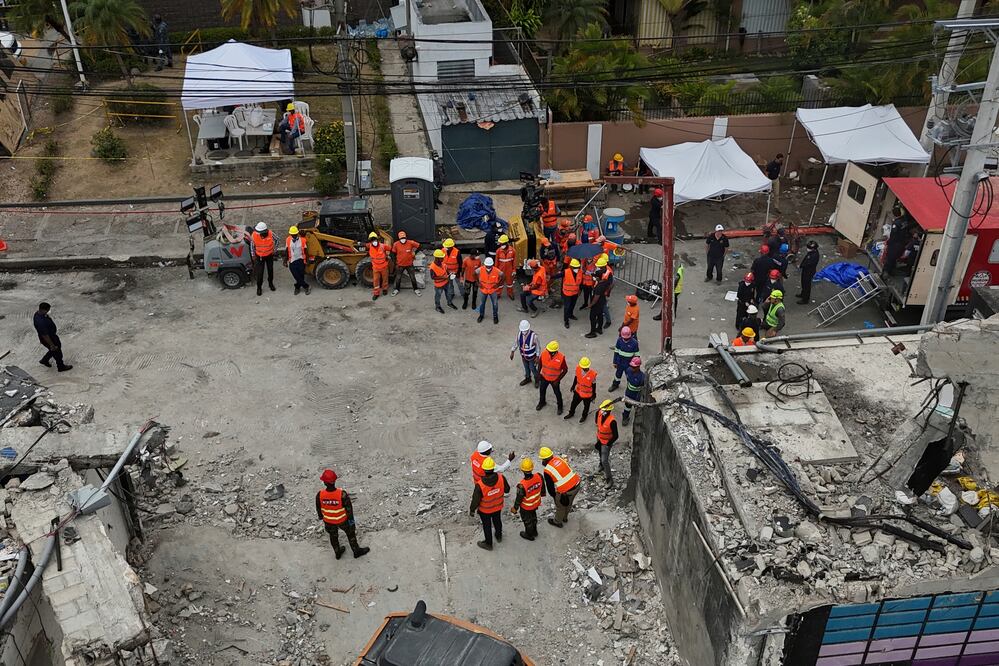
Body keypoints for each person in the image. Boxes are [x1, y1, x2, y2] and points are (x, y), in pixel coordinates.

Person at [316, 469, 370, 560]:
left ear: (324, 482)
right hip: (342, 520)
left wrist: (321, 517)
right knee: (351, 535)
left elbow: (319, 509)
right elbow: (349, 510)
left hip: (329, 521)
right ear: (335, 481)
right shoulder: (342, 494)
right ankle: (356, 551)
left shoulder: (320, 495)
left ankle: (337, 553)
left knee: (333, 537)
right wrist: (351, 523)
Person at [469, 457, 510, 551]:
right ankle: (499, 536)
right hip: (498, 507)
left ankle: (488, 544)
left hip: (485, 510)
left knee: (487, 526)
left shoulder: (480, 485)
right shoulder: (501, 478)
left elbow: (475, 500)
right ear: (493, 468)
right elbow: (507, 489)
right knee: (497, 521)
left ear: (484, 469)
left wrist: (472, 510)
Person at [539, 447, 581, 528]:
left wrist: (555, 497)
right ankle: (565, 518)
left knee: (560, 506)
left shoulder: (547, 470)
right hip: (577, 484)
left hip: (566, 491)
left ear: (543, 460)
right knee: (569, 502)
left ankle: (558, 521)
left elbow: (550, 488)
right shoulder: (559, 459)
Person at [511, 458, 545, 540]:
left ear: (522, 470)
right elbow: (543, 488)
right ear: (532, 468)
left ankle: (529, 535)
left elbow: (519, 499)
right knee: (533, 517)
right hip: (536, 503)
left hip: (526, 507)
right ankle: (535, 531)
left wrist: (515, 508)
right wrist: (543, 494)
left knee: (527, 521)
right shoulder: (539, 476)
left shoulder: (522, 485)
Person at [33, 302, 71, 372]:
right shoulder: (41, 322)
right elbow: (45, 335)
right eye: (48, 310)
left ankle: (44, 360)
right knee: (57, 352)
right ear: (44, 310)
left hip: (51, 336)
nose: (48, 311)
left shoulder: (39, 314)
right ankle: (61, 367)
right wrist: (52, 345)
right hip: (50, 338)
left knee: (54, 350)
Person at [537, 340, 568, 414]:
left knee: (557, 393)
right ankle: (542, 402)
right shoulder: (544, 353)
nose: (548, 351)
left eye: (550, 351)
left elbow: (565, 370)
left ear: (555, 351)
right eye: (548, 350)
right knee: (542, 390)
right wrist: (538, 373)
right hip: (544, 377)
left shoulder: (561, 358)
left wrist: (558, 380)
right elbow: (540, 363)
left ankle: (560, 407)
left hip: (554, 380)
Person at [594, 400, 619, 487]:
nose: (603, 411)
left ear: (609, 411)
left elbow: (616, 436)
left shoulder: (612, 421)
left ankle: (609, 480)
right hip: (599, 438)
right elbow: (597, 422)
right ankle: (600, 465)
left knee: (605, 460)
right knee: (600, 453)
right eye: (602, 409)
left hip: (606, 443)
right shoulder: (599, 413)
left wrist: (608, 444)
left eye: (605, 410)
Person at [565, 356, 597, 423]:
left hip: (587, 394)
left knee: (586, 407)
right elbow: (576, 377)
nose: (584, 368)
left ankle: (584, 416)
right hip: (578, 391)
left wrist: (594, 394)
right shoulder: (578, 369)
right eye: (583, 367)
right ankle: (571, 413)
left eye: (585, 367)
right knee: (573, 403)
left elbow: (594, 385)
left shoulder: (592, 374)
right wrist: (573, 386)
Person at [608, 326, 639, 392]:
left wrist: (635, 366)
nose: (625, 340)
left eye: (627, 338)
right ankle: (615, 384)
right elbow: (616, 351)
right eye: (624, 338)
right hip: (620, 362)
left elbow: (637, 355)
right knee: (617, 375)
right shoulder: (619, 340)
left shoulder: (634, 343)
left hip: (629, 364)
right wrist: (615, 362)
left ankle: (630, 388)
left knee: (629, 376)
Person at [390, 231, 421, 296]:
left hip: (409, 264)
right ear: (399, 238)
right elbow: (392, 253)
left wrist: (415, 252)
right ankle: (396, 289)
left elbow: (419, 246)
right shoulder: (396, 244)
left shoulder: (411, 242)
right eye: (401, 238)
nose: (403, 239)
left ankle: (416, 289)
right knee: (398, 278)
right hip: (400, 265)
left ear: (406, 237)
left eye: (404, 237)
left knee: (412, 277)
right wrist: (395, 261)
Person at [511, 319, 540, 387]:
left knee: (532, 368)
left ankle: (537, 379)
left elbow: (538, 347)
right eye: (523, 330)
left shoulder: (534, 336)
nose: (524, 332)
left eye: (525, 330)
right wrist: (512, 351)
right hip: (524, 356)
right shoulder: (519, 334)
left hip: (532, 357)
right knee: (526, 368)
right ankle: (528, 378)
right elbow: (516, 343)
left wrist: (537, 356)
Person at [283, 225, 311, 295]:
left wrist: (307, 260)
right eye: (293, 235)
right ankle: (306, 286)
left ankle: (297, 287)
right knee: (296, 275)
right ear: (290, 234)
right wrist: (285, 260)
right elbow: (286, 250)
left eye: (295, 234)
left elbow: (305, 251)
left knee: (301, 275)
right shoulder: (288, 240)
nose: (294, 236)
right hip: (292, 260)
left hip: (301, 260)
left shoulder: (303, 240)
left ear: (297, 233)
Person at [251, 222, 276, 296]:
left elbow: (277, 239)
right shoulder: (254, 235)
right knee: (260, 273)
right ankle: (259, 288)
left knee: (270, 271)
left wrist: (274, 250)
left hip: (269, 256)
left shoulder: (271, 234)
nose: (259, 234)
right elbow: (252, 246)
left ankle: (270, 284)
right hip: (259, 257)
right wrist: (253, 255)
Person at [585, 267, 611, 338]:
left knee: (592, 317)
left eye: (595, 277)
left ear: (598, 277)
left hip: (597, 304)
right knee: (600, 316)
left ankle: (592, 332)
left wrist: (590, 305)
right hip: (602, 302)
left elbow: (596, 298)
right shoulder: (604, 282)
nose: (594, 278)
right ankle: (599, 329)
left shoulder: (599, 286)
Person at [476, 256, 502, 324]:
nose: (488, 267)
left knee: (495, 304)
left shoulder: (496, 270)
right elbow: (474, 273)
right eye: (487, 266)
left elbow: (503, 275)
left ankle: (495, 316)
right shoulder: (481, 269)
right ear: (485, 264)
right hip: (483, 289)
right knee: (482, 304)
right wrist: (478, 283)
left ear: (492, 265)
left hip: (492, 290)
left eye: (489, 266)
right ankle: (481, 315)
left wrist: (498, 284)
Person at [621, 357, 644, 427]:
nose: (632, 368)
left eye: (634, 367)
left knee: (638, 408)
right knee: (627, 407)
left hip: (637, 396)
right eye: (631, 366)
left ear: (638, 367)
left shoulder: (642, 377)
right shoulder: (628, 370)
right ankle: (625, 417)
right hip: (629, 394)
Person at [366, 232, 390, 300]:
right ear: (370, 241)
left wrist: (388, 255)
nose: (374, 241)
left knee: (385, 279)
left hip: (384, 267)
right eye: (372, 240)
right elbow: (363, 245)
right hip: (376, 268)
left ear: (377, 239)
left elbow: (390, 248)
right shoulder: (369, 246)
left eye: (375, 239)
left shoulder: (383, 246)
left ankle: (385, 289)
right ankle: (376, 293)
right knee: (376, 281)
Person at [429, 249, 454, 313]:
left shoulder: (443, 264)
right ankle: (437, 307)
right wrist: (443, 277)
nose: (443, 259)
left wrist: (450, 274)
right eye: (441, 258)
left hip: (446, 283)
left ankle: (449, 303)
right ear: (437, 258)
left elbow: (447, 271)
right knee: (438, 296)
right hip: (439, 285)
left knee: (448, 294)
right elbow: (433, 277)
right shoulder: (432, 267)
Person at [797, 240, 820, 304]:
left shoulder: (814, 255)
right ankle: (803, 294)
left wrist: (802, 266)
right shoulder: (812, 252)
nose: (807, 249)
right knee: (803, 283)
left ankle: (805, 299)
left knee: (806, 285)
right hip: (806, 271)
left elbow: (808, 263)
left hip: (809, 272)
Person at [562, 258, 582, 329]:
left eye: (578, 267)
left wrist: (580, 290)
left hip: (575, 293)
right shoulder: (566, 272)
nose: (577, 269)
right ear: (571, 267)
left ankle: (570, 315)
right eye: (575, 267)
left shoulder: (580, 272)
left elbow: (581, 282)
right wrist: (550, 277)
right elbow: (558, 275)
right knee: (567, 307)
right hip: (567, 293)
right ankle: (566, 320)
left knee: (573, 305)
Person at [495, 235, 516, 299]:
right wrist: (496, 271)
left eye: (502, 243)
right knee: (500, 283)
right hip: (500, 270)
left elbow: (514, 262)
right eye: (501, 243)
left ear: (506, 243)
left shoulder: (512, 250)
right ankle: (498, 294)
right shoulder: (498, 251)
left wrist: (514, 270)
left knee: (510, 283)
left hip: (509, 270)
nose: (501, 245)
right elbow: (496, 262)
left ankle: (510, 293)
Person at [442, 238, 462, 303]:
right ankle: (451, 294)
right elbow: (442, 261)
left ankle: (463, 294)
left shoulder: (457, 252)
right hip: (447, 272)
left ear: (451, 247)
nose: (446, 248)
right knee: (450, 284)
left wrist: (458, 272)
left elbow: (460, 263)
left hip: (456, 272)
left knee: (459, 284)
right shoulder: (443, 250)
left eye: (447, 247)